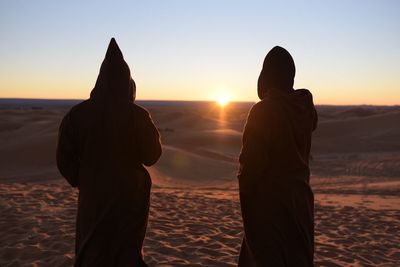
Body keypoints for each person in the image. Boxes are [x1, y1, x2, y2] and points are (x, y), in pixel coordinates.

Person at [56, 38, 162, 267]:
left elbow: (64, 159)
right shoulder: (138, 116)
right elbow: (152, 155)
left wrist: (83, 179)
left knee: (91, 250)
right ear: (127, 81)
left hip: (93, 196)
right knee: (127, 252)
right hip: (130, 196)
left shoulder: (77, 114)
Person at [238, 46, 318, 266]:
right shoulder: (303, 108)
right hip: (301, 204)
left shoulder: (264, 111)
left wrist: (248, 199)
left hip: (270, 208)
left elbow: (251, 167)